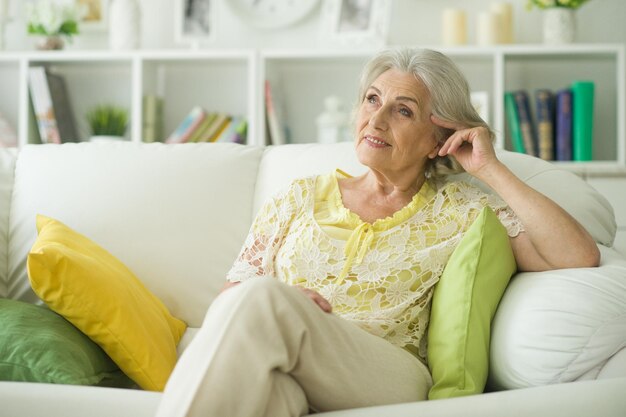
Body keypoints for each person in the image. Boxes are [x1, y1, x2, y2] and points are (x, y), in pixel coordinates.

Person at [157, 48, 600, 417]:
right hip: (293, 358)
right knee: (276, 397)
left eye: (402, 110)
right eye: (372, 100)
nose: (377, 119)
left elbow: (577, 255)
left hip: (387, 372)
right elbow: (226, 306)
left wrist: (490, 169)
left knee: (264, 298)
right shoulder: (297, 196)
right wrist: (292, 309)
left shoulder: (465, 208)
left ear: (437, 137)